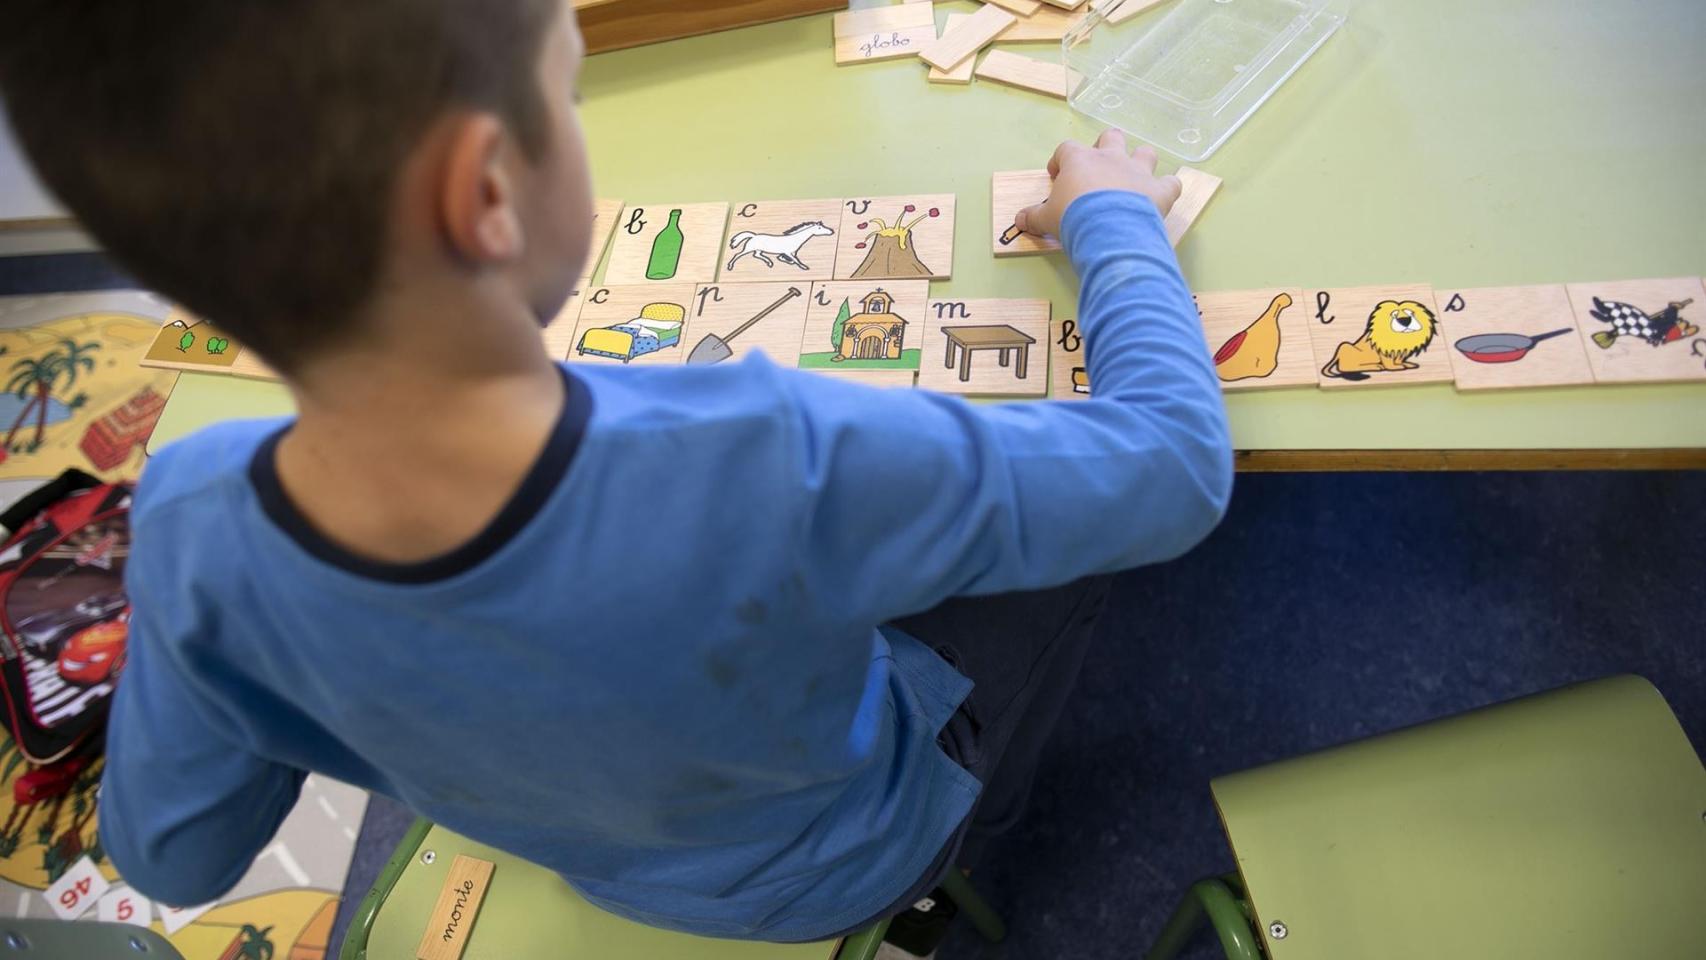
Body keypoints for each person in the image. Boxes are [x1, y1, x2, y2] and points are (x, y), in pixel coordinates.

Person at [0, 0, 1229, 949]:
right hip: (845, 855)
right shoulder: (769, 451)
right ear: (489, 195)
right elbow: (1174, 469)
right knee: (1081, 561)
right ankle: (985, 815)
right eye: (570, 100)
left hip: (604, 856)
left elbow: (171, 858)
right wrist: (1113, 221)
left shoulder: (188, 520)